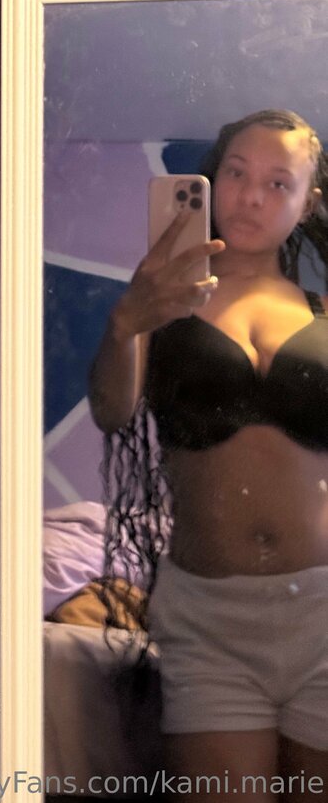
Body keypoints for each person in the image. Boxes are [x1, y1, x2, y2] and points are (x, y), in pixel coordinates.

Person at [88, 109, 328, 802]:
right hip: (210, 623)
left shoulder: (323, 313)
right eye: (237, 174)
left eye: (278, 183)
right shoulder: (158, 304)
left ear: (308, 202)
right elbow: (112, 411)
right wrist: (125, 323)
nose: (251, 196)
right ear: (212, 180)